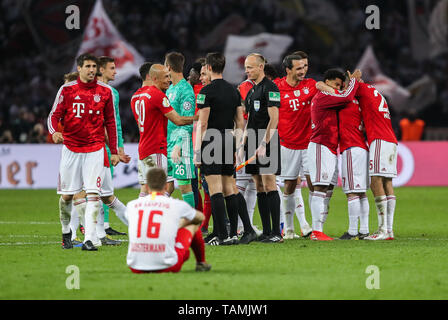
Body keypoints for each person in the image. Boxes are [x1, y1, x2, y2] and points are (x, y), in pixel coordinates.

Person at [47, 53, 120, 251]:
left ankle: (89, 238)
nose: (91, 70)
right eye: (87, 66)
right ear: (79, 68)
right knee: (67, 197)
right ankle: (66, 232)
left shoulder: (105, 92)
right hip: (71, 149)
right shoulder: (67, 90)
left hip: (95, 148)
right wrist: (54, 132)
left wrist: (113, 151)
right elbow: (54, 115)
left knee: (93, 194)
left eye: (93, 66)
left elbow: (111, 123)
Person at [194, 52, 257, 245]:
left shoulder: (206, 92)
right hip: (229, 139)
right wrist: (238, 147)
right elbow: (240, 122)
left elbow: (202, 124)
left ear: (210, 68)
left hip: (211, 140)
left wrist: (198, 151)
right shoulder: (234, 91)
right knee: (230, 189)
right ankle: (232, 234)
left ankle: (222, 235)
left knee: (215, 190)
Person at [307, 68, 360, 241]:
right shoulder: (324, 97)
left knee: (327, 189)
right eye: (336, 84)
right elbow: (346, 97)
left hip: (329, 147)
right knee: (320, 188)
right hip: (321, 145)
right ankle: (316, 231)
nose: (338, 88)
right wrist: (354, 81)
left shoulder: (327, 95)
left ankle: (319, 229)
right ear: (328, 82)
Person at [126, 168, 211, 273]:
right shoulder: (176, 204)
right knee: (193, 225)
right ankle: (201, 262)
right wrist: (180, 224)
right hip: (168, 266)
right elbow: (200, 217)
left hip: (136, 266)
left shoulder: (132, 205)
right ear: (166, 186)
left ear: (147, 187)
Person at [317, 75, 370, 239]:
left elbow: (322, 87)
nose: (340, 89)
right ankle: (364, 229)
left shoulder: (345, 101)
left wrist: (351, 81)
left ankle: (353, 231)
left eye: (343, 86)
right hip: (362, 148)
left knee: (352, 193)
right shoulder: (359, 103)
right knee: (361, 192)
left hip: (351, 149)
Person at [130, 63, 195, 198]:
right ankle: (156, 218)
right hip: (156, 149)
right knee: (159, 190)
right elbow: (178, 120)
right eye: (165, 77)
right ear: (154, 78)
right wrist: (198, 118)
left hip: (143, 149)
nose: (169, 80)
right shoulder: (157, 95)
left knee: (146, 189)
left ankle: (139, 217)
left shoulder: (135, 96)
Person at [239, 53, 283, 243]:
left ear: (260, 67)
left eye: (250, 67)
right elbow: (249, 121)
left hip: (267, 140)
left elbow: (274, 118)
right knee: (259, 185)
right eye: (246, 67)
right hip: (252, 140)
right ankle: (266, 232)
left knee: (269, 183)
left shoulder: (270, 88)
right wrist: (242, 145)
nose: (246, 71)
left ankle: (276, 233)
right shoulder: (250, 91)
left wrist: (264, 143)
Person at [274, 52, 315, 239]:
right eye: (299, 68)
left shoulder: (311, 85)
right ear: (288, 69)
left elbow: (325, 87)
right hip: (287, 145)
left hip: (309, 144)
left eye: (305, 66)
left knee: (315, 184)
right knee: (289, 185)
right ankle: (289, 229)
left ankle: (316, 229)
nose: (303, 71)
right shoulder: (276, 88)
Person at [357, 82, 398, 240]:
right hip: (390, 139)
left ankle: (382, 230)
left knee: (375, 181)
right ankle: (389, 230)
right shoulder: (377, 95)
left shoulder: (362, 90)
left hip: (379, 140)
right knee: (387, 182)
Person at [97, 56, 130, 238]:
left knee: (104, 187)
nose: (115, 71)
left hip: (107, 146)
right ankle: (89, 228)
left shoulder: (113, 93)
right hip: (93, 144)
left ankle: (103, 226)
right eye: (112, 68)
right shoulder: (94, 91)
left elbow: (115, 122)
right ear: (101, 70)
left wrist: (119, 148)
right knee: (93, 188)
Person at [164, 52, 197, 209]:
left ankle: (193, 228)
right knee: (166, 186)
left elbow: (188, 121)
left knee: (184, 186)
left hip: (180, 144)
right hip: (167, 142)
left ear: (168, 67)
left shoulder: (186, 90)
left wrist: (178, 146)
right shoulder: (170, 89)